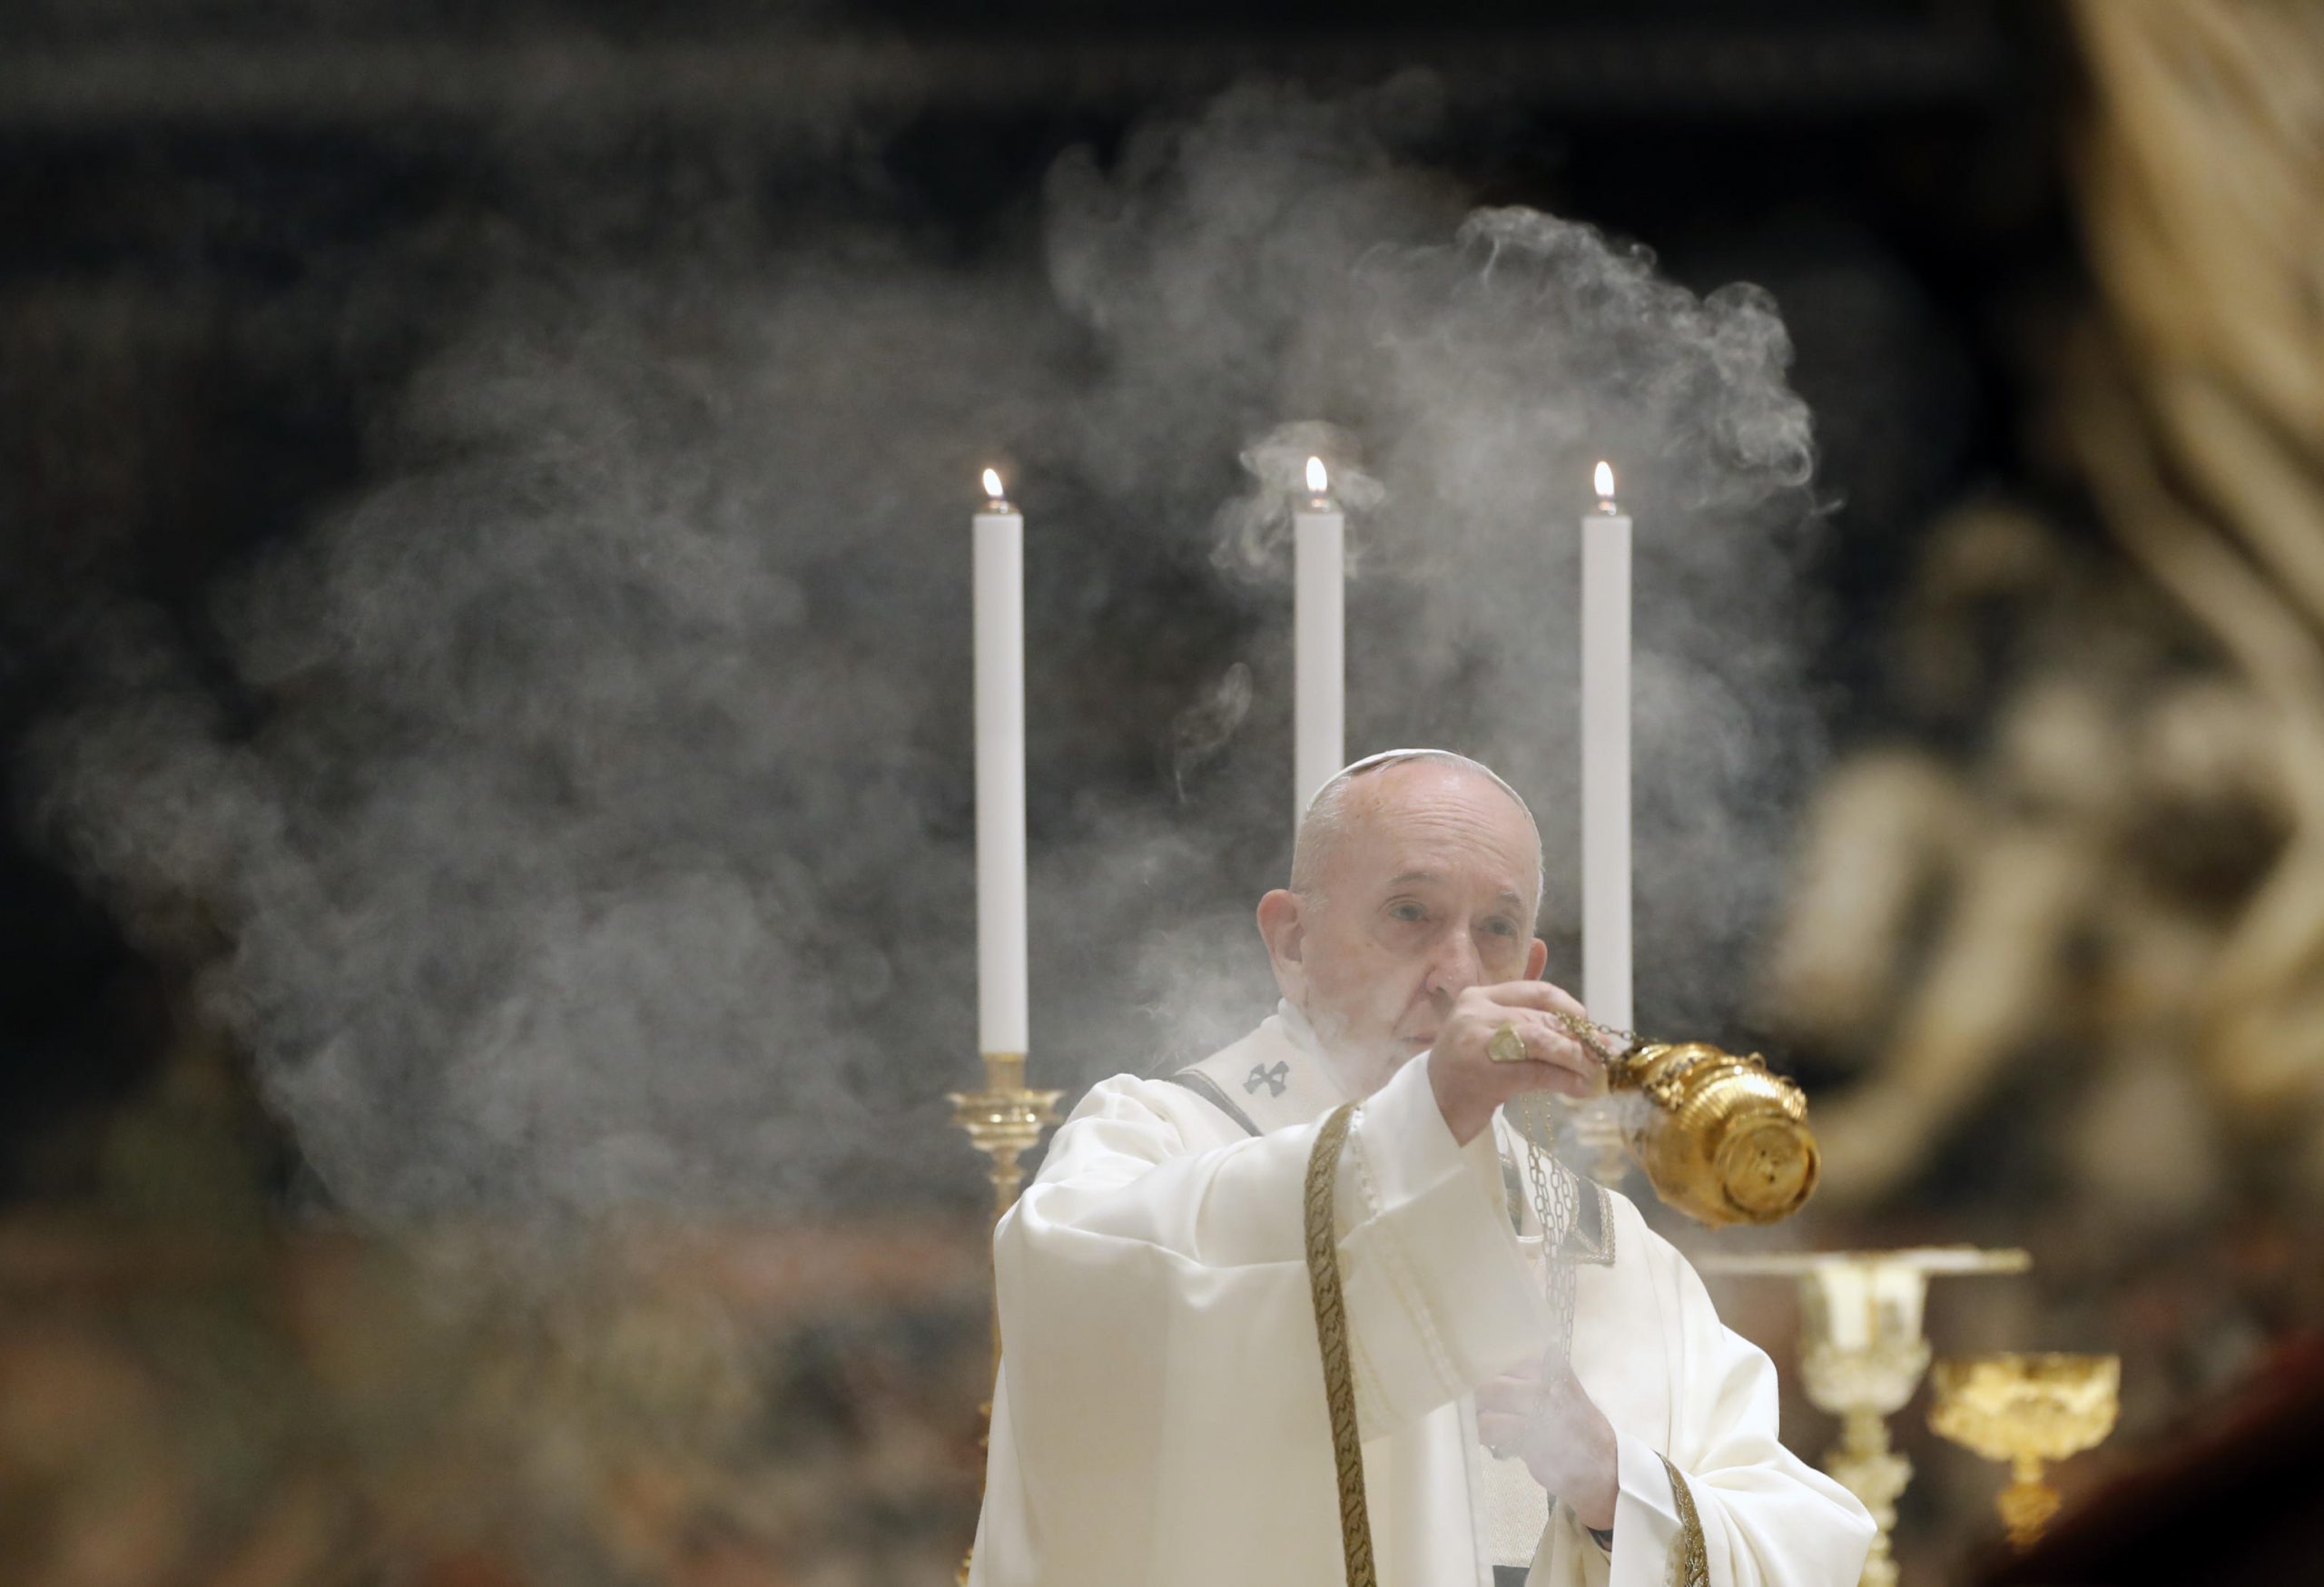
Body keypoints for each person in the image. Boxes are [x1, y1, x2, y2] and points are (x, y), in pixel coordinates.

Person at [970, 749, 1874, 1586]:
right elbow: (1080, 1311)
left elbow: (1802, 1539)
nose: (1456, 972)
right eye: (1411, 913)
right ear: (1291, 942)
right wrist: (1422, 1118)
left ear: (1530, 965)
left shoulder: (1609, 1249)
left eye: (1495, 929)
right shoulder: (1156, 1135)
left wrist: (1614, 1486)